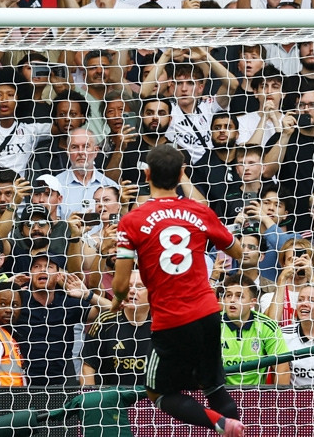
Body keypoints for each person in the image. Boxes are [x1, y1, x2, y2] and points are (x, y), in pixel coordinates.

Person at [111, 144, 245, 437]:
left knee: (158, 393)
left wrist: (117, 300)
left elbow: (120, 284)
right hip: (208, 312)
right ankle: (232, 426)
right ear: (182, 173)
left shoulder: (132, 220)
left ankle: (220, 424)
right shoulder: (200, 211)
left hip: (171, 319)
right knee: (214, 385)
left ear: (147, 174)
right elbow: (237, 251)